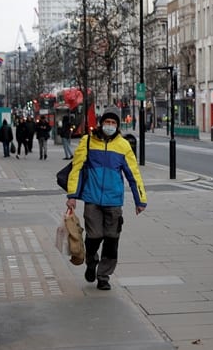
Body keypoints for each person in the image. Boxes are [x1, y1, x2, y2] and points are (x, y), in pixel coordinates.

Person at [65, 106, 147, 291]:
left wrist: (140, 200)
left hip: (114, 200)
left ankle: (104, 276)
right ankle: (91, 261)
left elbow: (134, 174)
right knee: (93, 236)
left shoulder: (123, 146)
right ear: (101, 123)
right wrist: (72, 196)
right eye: (107, 122)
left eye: (113, 123)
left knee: (112, 239)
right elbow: (76, 169)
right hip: (92, 199)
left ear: (117, 125)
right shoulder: (87, 142)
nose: (109, 125)